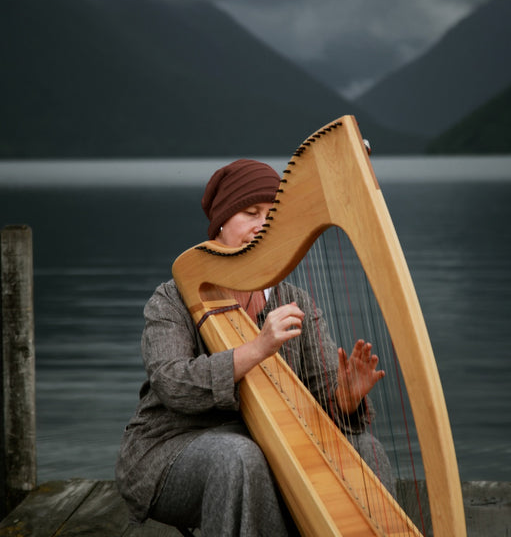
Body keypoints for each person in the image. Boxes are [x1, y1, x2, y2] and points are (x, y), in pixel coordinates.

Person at [115, 159, 393, 536]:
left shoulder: (295, 301)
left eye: (271, 215)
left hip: (267, 450)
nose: (261, 225)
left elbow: (323, 395)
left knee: (368, 452)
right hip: (172, 447)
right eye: (250, 213)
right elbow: (171, 383)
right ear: (221, 223)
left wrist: (344, 398)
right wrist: (257, 349)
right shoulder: (172, 299)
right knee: (240, 457)